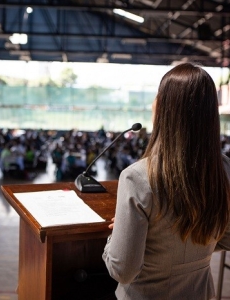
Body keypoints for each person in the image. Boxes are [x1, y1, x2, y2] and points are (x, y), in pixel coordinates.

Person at [102, 63, 230, 300]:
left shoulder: (137, 177)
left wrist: (116, 235)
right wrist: (195, 248)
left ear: (163, 109)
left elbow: (123, 270)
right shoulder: (223, 169)